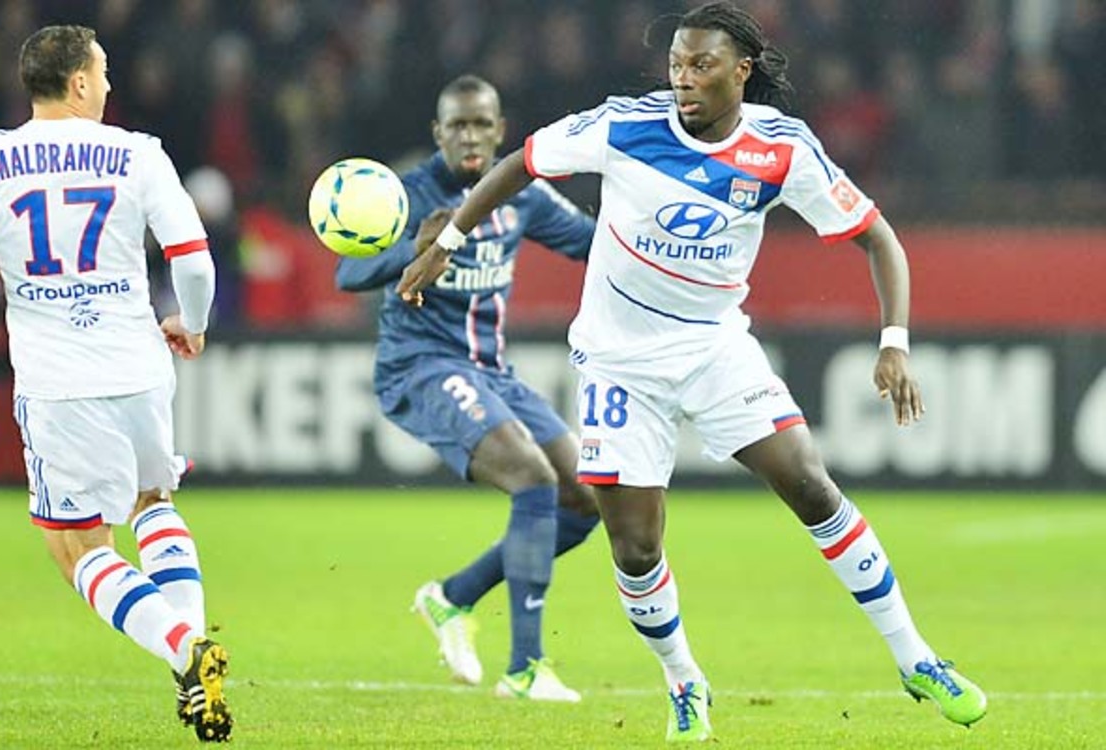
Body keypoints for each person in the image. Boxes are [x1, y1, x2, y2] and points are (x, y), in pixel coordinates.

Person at [398, 3, 987, 742]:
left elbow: (878, 238)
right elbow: (522, 162)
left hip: (714, 348)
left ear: (741, 72)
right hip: (619, 364)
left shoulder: (780, 150)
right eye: (676, 64)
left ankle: (917, 658)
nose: (682, 79)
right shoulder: (624, 126)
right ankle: (684, 681)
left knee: (811, 484)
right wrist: (449, 241)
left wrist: (893, 341)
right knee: (636, 547)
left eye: (701, 65)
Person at [0, 25, 232, 742]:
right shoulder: (138, 153)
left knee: (81, 551)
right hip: (141, 367)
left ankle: (185, 650)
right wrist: (194, 324)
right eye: (104, 72)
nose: (110, 84)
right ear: (80, 82)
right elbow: (194, 261)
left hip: (60, 384)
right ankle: (190, 660)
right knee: (154, 501)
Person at [336, 74, 601, 702]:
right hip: (419, 365)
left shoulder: (519, 194)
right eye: (458, 125)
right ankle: (526, 669)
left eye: (482, 124)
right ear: (439, 133)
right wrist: (411, 248)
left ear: (500, 130)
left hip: (490, 371)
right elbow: (348, 271)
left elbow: (593, 243)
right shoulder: (409, 195)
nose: (471, 136)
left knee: (584, 498)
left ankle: (452, 598)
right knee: (532, 479)